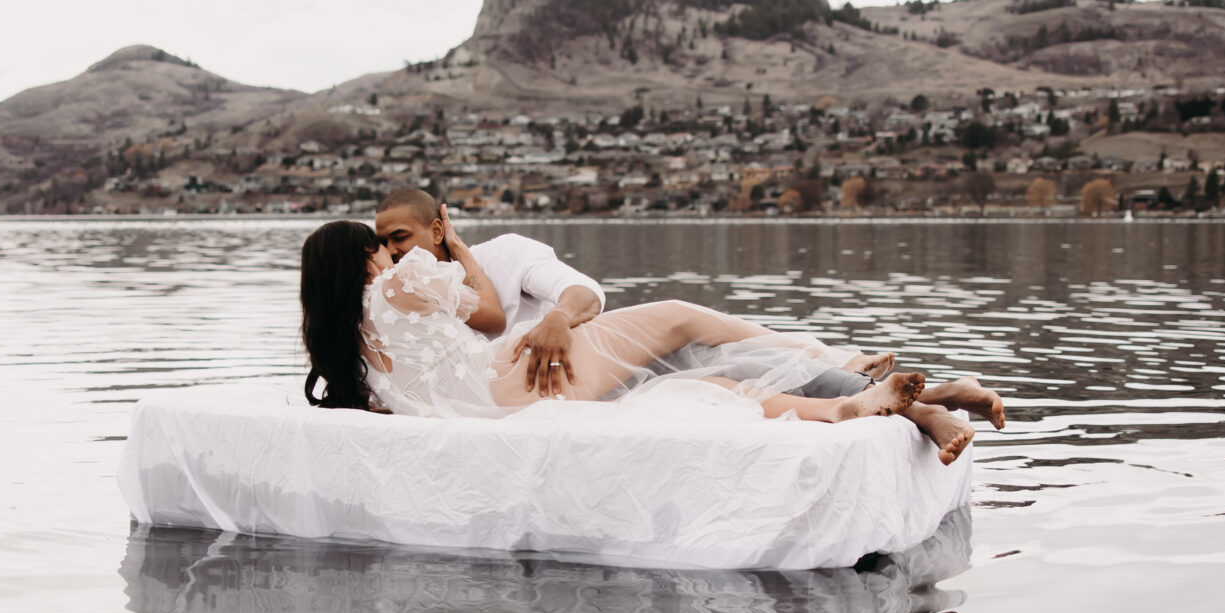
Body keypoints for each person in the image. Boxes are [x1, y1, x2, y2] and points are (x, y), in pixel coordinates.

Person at [299, 217, 975, 464]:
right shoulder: (400, 281)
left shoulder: (353, 352)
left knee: (701, 388)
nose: (390, 251)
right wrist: (452, 244)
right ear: (363, 256)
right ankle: (843, 363)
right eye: (378, 244)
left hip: (493, 401)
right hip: (512, 381)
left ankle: (842, 406)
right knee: (681, 316)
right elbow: (488, 310)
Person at [369, 186, 1007, 428]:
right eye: (383, 245)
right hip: (576, 397)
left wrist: (560, 318)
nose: (395, 254)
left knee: (716, 356)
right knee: (723, 383)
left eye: (402, 239)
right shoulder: (412, 300)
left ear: (437, 226)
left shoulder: (507, 253)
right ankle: (927, 402)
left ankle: (912, 398)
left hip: (614, 359)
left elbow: (586, 293)